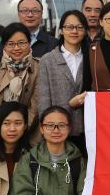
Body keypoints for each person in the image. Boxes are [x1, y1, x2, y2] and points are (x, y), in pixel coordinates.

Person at [37, 11, 93, 155]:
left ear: (85, 31)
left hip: (88, 129)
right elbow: (44, 101)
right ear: (61, 30)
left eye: (79, 27)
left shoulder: (92, 58)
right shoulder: (48, 60)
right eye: (69, 27)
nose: (74, 31)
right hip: (58, 130)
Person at [0, 23, 41, 144]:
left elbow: (36, 106)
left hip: (27, 137)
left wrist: (18, 132)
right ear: (4, 46)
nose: (16, 48)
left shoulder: (39, 67)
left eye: (22, 43)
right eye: (11, 44)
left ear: (29, 43)